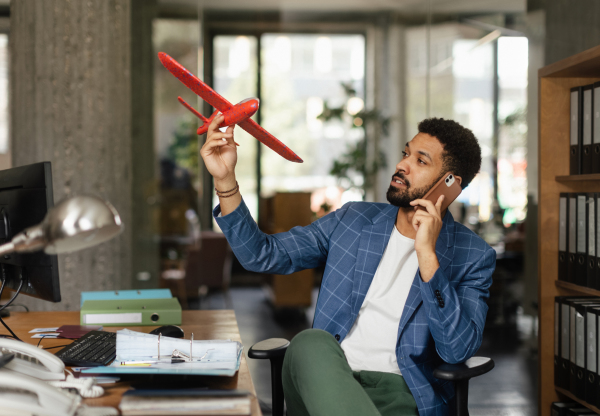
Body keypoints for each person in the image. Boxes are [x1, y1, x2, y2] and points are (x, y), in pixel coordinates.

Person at [201, 115, 496, 416]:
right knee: (310, 342)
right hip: (325, 378)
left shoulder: (473, 256)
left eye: (420, 161)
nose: (402, 165)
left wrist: (428, 257)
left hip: (404, 397)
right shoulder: (353, 220)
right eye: (406, 153)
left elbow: (456, 350)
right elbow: (261, 254)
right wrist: (225, 180)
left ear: (449, 184)